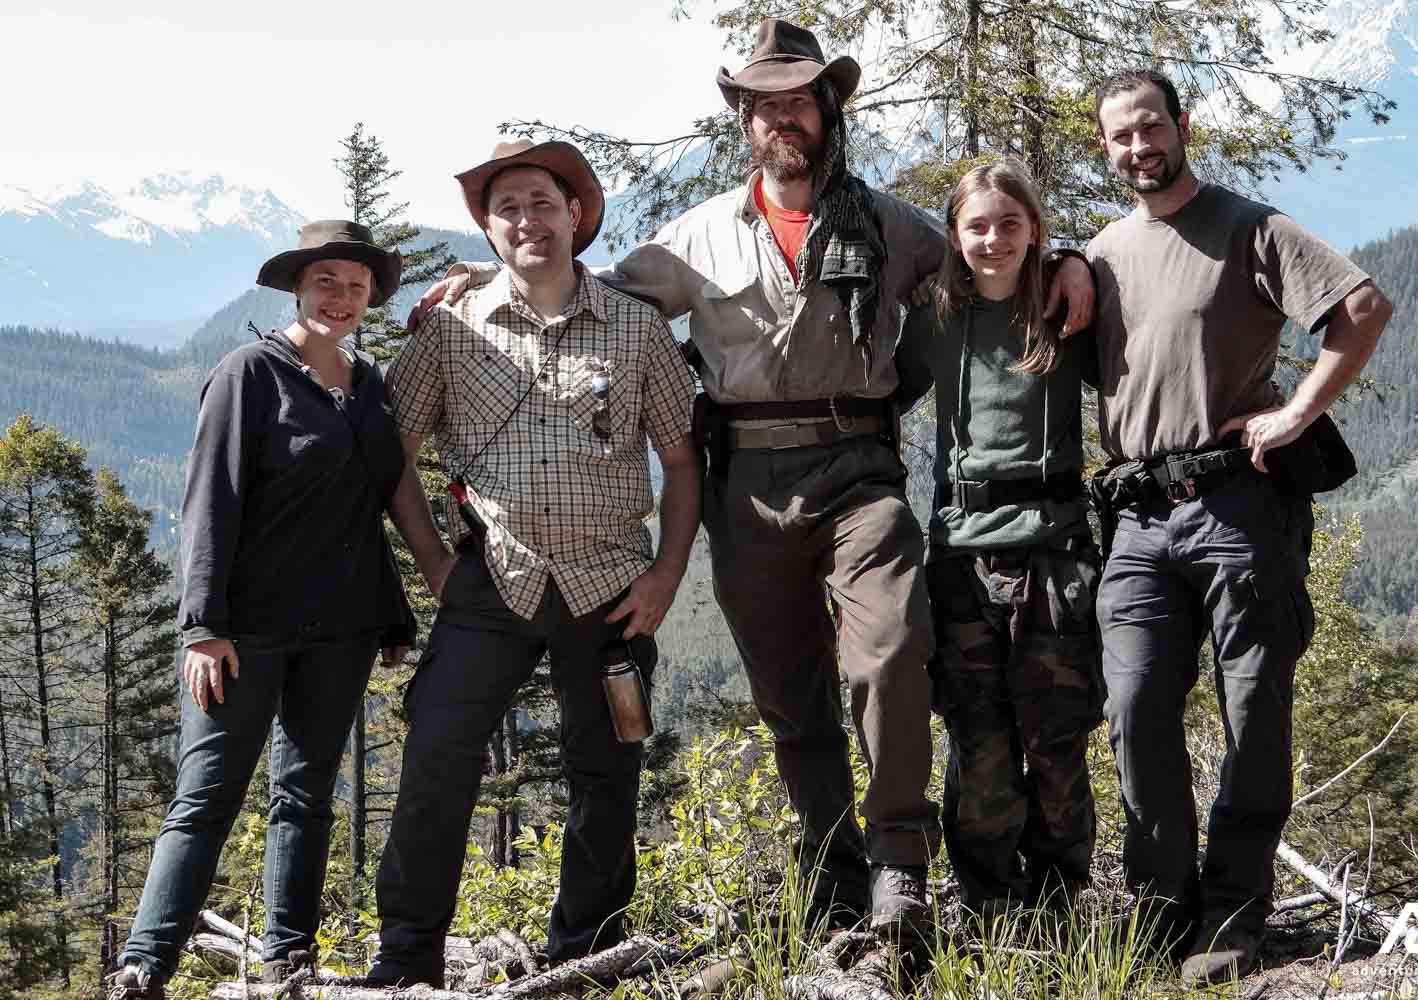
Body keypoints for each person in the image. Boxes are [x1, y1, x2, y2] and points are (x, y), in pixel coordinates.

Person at [418, 19, 1096, 940]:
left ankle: (900, 862)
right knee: (790, 694)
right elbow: (589, 292)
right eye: (765, 105)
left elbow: (990, 259)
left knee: (893, 650)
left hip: (861, 471)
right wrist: (494, 269)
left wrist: (1070, 260)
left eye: (800, 101)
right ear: (745, 121)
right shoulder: (694, 238)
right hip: (745, 483)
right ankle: (834, 875)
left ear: (828, 111)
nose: (784, 118)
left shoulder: (891, 225)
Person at [366, 139, 700, 987]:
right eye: (507, 208)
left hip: (612, 585)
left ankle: (585, 953)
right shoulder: (450, 327)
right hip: (491, 579)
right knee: (438, 754)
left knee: (608, 768)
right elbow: (393, 449)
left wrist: (666, 575)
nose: (527, 222)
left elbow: (683, 458)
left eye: (542, 203)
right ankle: (406, 958)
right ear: (486, 227)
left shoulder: (636, 327)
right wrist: (436, 563)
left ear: (575, 213)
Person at [1087, 69, 1393, 984]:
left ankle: (1232, 912)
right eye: (1120, 136)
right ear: (1105, 146)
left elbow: (1362, 309)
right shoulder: (1102, 252)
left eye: (1150, 127)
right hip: (1137, 517)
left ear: (1181, 125)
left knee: (1253, 709)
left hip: (1238, 508)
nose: (1138, 147)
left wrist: (1295, 413)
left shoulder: (1248, 227)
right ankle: (1160, 908)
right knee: (1135, 708)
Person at [108, 222, 415, 1000]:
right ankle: (143, 966)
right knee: (206, 795)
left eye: (355, 286)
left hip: (342, 630)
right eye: (326, 282)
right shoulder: (249, 373)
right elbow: (210, 500)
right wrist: (202, 627)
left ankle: (288, 960)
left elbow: (372, 501)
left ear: (371, 297)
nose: (341, 298)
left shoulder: (368, 383)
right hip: (244, 631)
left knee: (305, 797)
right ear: (297, 288)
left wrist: (393, 613)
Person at [894, 161, 1101, 927]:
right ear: (954, 235)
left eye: (1010, 224)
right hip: (961, 556)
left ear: (1035, 229)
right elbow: (881, 391)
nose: (993, 239)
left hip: (1054, 552)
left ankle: (1059, 910)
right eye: (976, 226)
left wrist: (1074, 260)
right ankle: (989, 910)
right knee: (979, 745)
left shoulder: (1065, 306)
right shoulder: (937, 315)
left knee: (1055, 742)